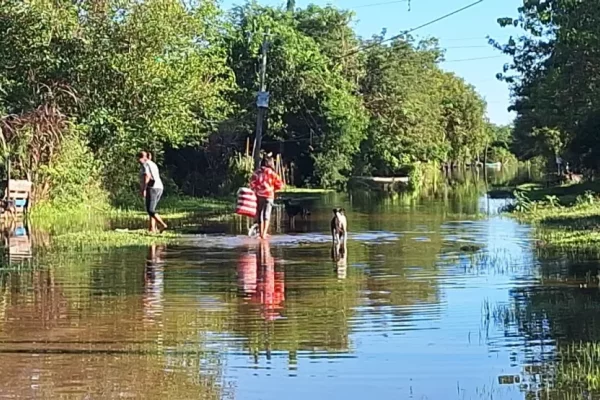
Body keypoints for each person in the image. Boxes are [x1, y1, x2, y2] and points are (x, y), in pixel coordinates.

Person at [250, 156, 283, 239]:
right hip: (269, 196)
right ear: (271, 163)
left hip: (259, 196)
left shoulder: (257, 173)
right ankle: (264, 234)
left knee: (260, 214)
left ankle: (260, 234)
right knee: (267, 214)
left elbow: (252, 184)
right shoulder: (272, 173)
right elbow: (280, 185)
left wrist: (256, 190)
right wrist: (273, 189)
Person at [138, 151, 167, 233]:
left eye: (139, 159)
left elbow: (147, 176)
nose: (138, 161)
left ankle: (162, 225)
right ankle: (152, 229)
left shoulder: (145, 164)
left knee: (150, 210)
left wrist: (144, 189)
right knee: (152, 209)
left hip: (152, 188)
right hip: (159, 187)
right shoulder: (153, 164)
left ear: (142, 158)